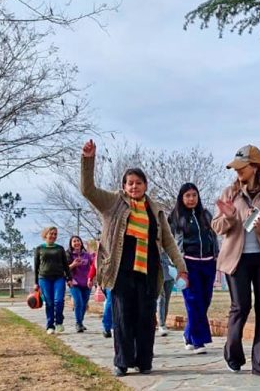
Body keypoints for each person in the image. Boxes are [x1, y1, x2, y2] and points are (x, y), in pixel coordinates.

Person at [80, 139, 188, 377]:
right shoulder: (112, 202)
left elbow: (168, 241)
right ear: (124, 185)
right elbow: (87, 190)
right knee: (123, 317)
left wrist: (182, 268)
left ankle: (144, 360)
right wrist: (88, 160)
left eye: (138, 183)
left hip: (149, 270)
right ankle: (122, 361)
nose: (134, 187)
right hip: (120, 269)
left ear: (145, 185)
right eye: (130, 183)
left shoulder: (155, 209)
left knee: (145, 318)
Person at [213, 145, 260, 377]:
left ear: (254, 167)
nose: (237, 172)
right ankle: (232, 354)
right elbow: (217, 227)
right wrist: (230, 217)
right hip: (236, 260)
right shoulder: (229, 193)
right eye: (235, 168)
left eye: (241, 167)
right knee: (240, 307)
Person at [168, 182, 219, 354]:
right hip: (188, 264)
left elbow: (214, 236)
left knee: (204, 301)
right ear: (181, 198)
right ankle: (198, 341)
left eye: (194, 195)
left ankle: (188, 334)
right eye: (187, 196)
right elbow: (169, 242)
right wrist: (175, 264)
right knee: (193, 301)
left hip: (208, 263)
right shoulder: (175, 217)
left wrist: (217, 255)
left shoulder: (205, 215)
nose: (191, 199)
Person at [33, 226, 71, 334]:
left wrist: (69, 278)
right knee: (49, 303)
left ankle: (59, 322)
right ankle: (50, 326)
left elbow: (65, 265)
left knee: (58, 301)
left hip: (59, 278)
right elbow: (36, 266)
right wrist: (36, 283)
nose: (53, 236)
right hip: (44, 279)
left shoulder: (60, 248)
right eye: (51, 233)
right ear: (46, 234)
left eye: (55, 234)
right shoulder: (39, 248)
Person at [67, 235, 93, 333]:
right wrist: (73, 264)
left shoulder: (86, 255)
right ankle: (78, 323)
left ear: (81, 243)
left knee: (84, 304)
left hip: (86, 283)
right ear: (71, 244)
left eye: (78, 241)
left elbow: (93, 265)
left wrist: (92, 278)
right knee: (78, 302)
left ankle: (80, 323)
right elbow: (65, 269)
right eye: (74, 241)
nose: (77, 243)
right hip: (74, 283)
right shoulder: (69, 255)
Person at [88, 254, 113, 338]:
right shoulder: (104, 247)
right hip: (109, 279)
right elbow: (96, 263)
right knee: (110, 301)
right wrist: (90, 278)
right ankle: (107, 327)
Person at [156, 250, 175, 337]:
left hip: (169, 271)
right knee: (161, 298)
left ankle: (163, 322)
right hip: (157, 271)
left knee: (166, 299)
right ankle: (161, 324)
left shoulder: (170, 238)